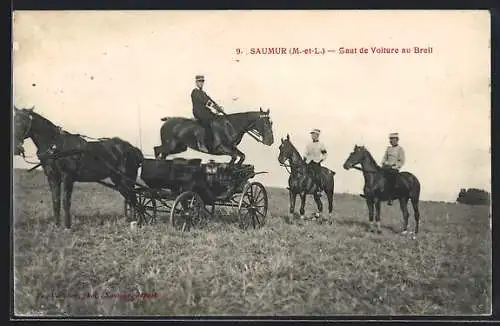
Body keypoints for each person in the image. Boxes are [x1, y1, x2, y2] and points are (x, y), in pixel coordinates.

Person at [191, 75, 224, 152]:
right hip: (199, 113)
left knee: (218, 120)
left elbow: (210, 100)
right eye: (199, 82)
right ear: (196, 82)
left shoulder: (203, 92)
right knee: (206, 124)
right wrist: (216, 108)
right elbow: (205, 102)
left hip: (206, 112)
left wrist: (218, 107)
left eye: (202, 82)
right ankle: (201, 144)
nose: (201, 83)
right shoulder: (195, 92)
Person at [380, 132, 405, 205]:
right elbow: (384, 158)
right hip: (386, 167)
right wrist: (384, 163)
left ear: (397, 140)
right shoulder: (388, 149)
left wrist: (394, 166)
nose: (390, 141)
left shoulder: (400, 149)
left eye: (392, 139)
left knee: (391, 177)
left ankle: (390, 197)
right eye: (390, 139)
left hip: (394, 169)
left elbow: (401, 161)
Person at [304, 129, 327, 196]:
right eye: (312, 134)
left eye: (313, 134)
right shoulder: (309, 144)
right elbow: (306, 153)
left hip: (316, 162)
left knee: (317, 175)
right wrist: (304, 157)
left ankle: (319, 189)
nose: (312, 136)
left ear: (317, 135)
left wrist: (321, 159)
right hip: (308, 162)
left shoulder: (321, 144)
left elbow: (324, 154)